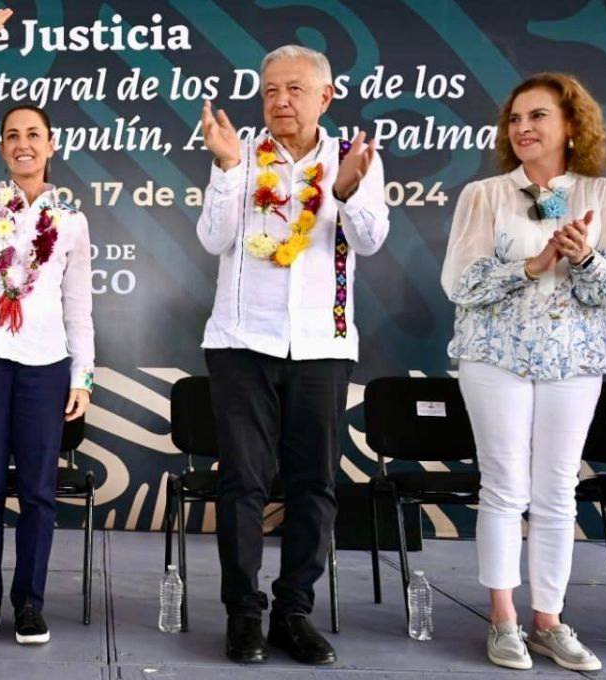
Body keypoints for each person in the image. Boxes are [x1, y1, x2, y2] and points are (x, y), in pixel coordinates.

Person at [440, 72, 606, 672]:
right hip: (493, 357)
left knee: (557, 491)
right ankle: (502, 619)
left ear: (572, 125)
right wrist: (534, 263)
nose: (523, 128)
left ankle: (548, 621)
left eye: (538, 116)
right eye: (515, 119)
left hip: (573, 360)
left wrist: (585, 258)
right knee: (504, 488)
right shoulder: (484, 194)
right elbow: (459, 283)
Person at [196, 45, 389, 664]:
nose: (281, 101)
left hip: (322, 345)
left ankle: (295, 612)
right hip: (240, 343)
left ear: (325, 97)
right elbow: (212, 238)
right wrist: (227, 170)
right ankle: (243, 614)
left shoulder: (351, 159)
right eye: (271, 90)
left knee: (314, 484)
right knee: (243, 483)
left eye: (295, 90)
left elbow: (371, 239)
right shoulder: (240, 155)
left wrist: (350, 190)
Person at [0, 8, 94, 646]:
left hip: (44, 366)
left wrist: (82, 377)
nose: (23, 143)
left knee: (37, 491)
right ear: (3, 148)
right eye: (11, 136)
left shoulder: (73, 221)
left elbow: (79, 307)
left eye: (33, 133)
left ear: (51, 145)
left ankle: (29, 604)